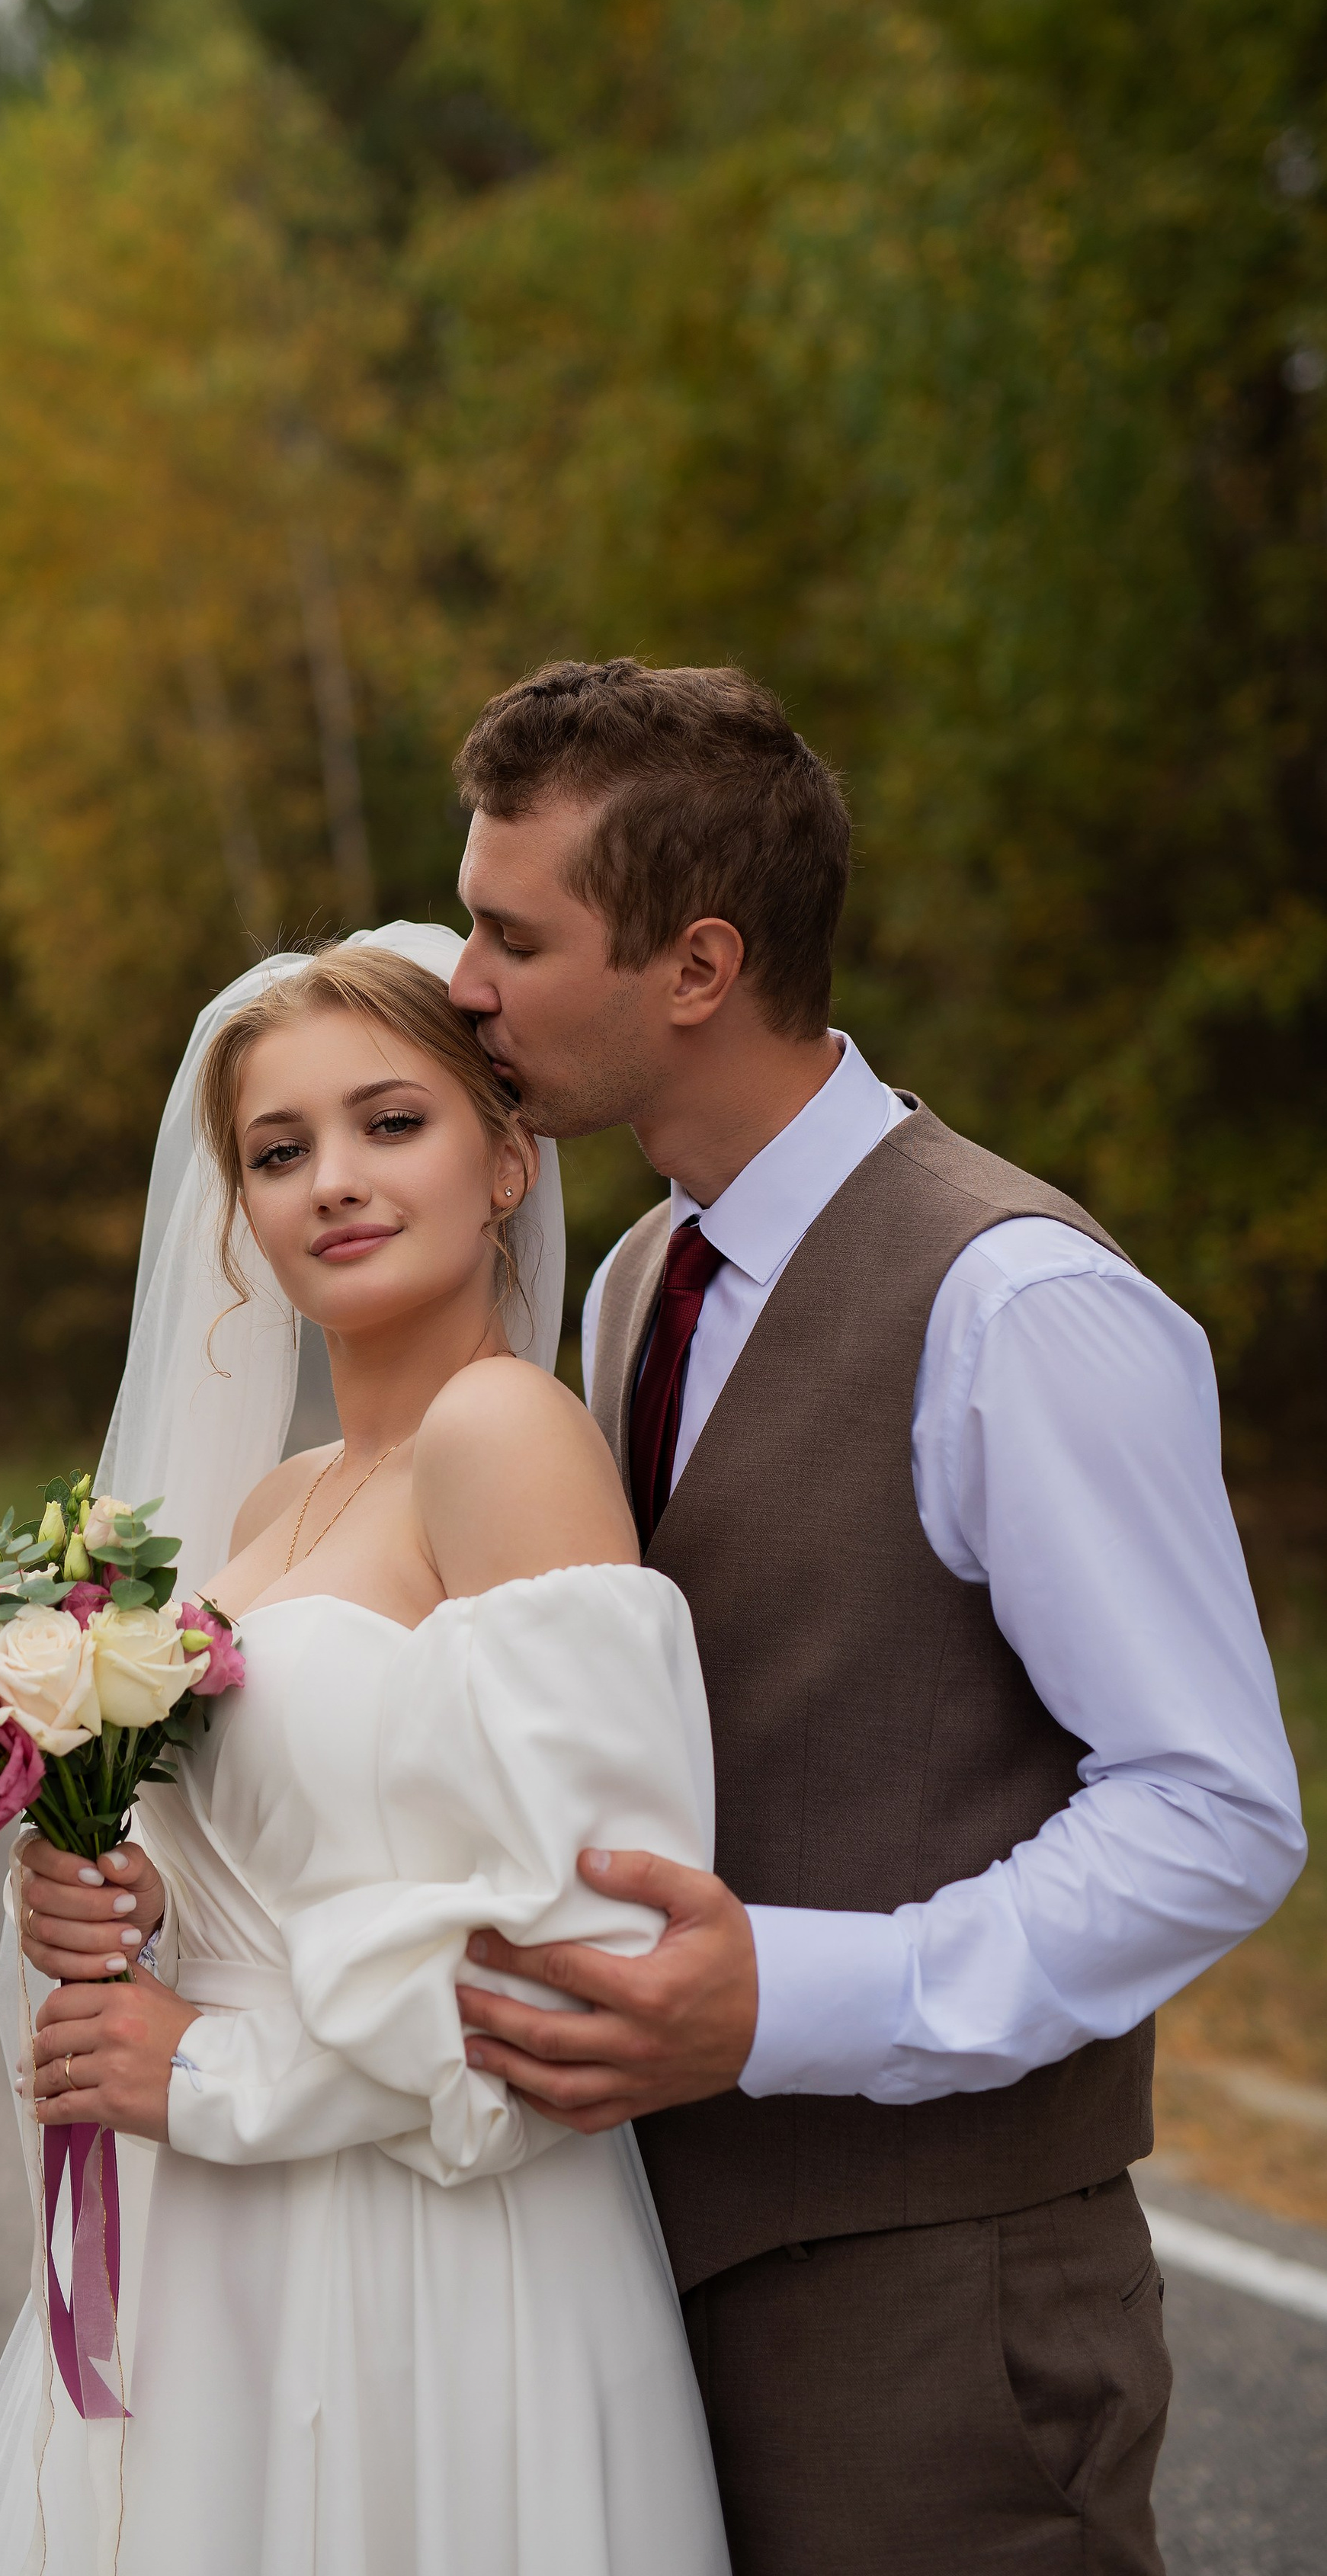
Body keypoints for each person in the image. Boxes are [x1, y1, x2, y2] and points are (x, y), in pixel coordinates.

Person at [441, 657, 1308, 2575]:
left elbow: (1212, 1810)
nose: (463, 984)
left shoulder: (1016, 1302)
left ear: (696, 964)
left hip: (938, 2313)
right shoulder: (636, 1278)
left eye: (513, 935)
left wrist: (792, 1996)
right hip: (644, 2271)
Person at [0, 927, 730, 2576]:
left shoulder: (503, 1434)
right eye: (279, 1151)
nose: (333, 1182)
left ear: (506, 1160)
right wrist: (115, 1895)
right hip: (218, 2246)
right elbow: (294, 1851)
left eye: (391, 1123)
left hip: (414, 2259)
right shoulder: (278, 1499)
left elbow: (594, 1959)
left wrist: (209, 2073)